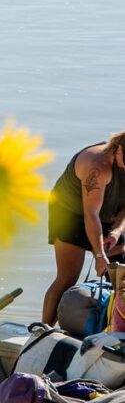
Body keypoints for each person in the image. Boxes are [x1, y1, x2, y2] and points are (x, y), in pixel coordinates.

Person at [44, 132, 125, 326]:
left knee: (120, 278)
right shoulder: (97, 165)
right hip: (71, 212)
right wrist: (99, 255)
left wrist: (116, 232)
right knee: (68, 276)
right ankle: (42, 330)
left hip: (109, 214)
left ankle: (113, 331)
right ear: (119, 149)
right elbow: (91, 213)